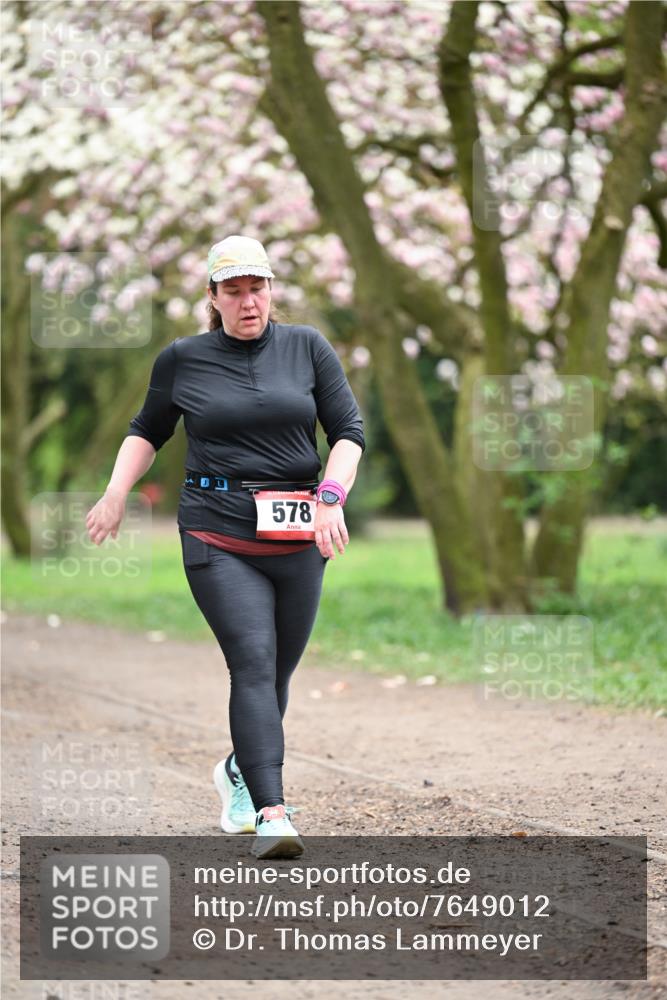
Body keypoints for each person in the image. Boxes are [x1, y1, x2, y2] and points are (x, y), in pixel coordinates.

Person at [85, 235, 365, 859]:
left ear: (271, 289)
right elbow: (146, 431)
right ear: (212, 297)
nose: (248, 302)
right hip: (218, 531)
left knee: (277, 675)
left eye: (257, 288)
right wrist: (114, 493)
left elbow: (347, 433)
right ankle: (272, 811)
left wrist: (329, 497)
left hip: (297, 531)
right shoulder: (183, 359)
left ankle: (238, 770)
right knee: (253, 661)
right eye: (233, 290)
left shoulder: (308, 347)